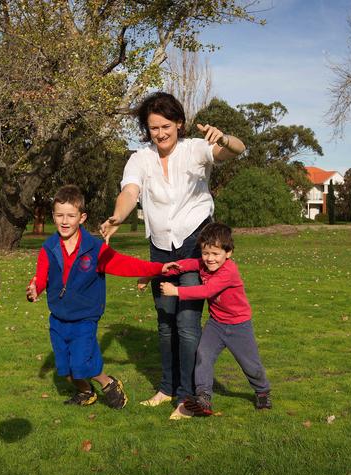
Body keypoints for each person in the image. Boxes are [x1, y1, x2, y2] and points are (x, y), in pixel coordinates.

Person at [100, 92, 245, 419]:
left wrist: (224, 138)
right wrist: (118, 217)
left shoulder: (195, 149)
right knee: (165, 321)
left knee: (187, 322)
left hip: (194, 244)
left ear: (179, 123)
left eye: (166, 125)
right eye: (153, 128)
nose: (160, 133)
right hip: (160, 249)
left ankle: (187, 395)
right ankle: (166, 387)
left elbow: (236, 150)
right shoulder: (140, 159)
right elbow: (129, 192)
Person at [26, 185, 179, 409]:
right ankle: (86, 392)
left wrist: (157, 268)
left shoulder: (94, 249)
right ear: (53, 216)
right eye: (60, 215)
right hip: (58, 318)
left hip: (85, 317)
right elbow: (41, 277)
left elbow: (125, 264)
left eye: (71, 215)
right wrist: (34, 289)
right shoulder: (48, 248)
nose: (65, 221)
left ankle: (108, 383)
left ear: (82, 217)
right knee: (65, 370)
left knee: (80, 363)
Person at [160, 222, 271, 416]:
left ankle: (262, 391)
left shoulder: (229, 271)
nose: (209, 259)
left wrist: (176, 290)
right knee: (203, 356)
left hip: (239, 326)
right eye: (205, 253)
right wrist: (163, 270)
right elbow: (187, 265)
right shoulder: (203, 264)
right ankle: (203, 398)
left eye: (215, 254)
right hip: (216, 325)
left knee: (250, 364)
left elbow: (207, 290)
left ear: (228, 253)